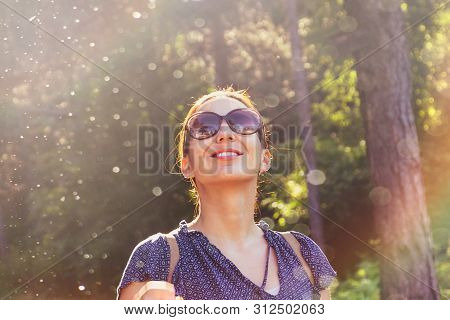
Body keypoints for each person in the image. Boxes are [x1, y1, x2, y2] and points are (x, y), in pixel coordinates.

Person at [117, 87, 337, 300]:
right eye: (204, 127)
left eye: (243, 122)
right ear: (186, 165)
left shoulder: (304, 254)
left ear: (265, 159)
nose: (225, 133)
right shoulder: (159, 258)